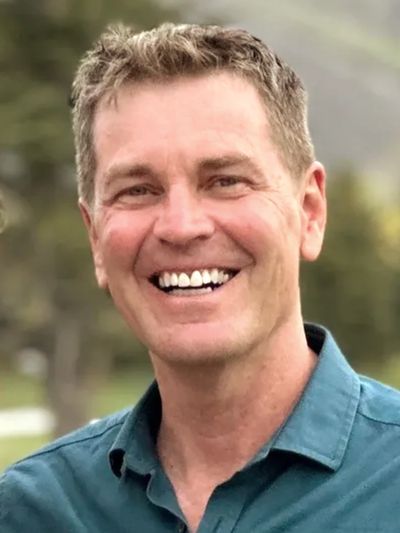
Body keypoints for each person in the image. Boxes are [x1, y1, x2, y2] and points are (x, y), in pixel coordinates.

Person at [1, 22, 400, 533]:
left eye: (225, 181)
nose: (181, 227)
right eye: (137, 190)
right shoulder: (32, 510)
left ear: (309, 211)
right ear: (95, 236)